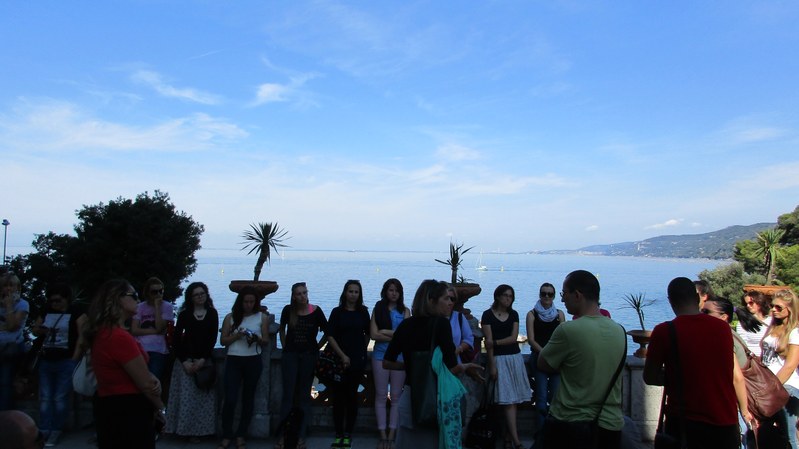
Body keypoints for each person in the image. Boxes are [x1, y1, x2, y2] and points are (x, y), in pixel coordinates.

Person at [383, 279, 484, 449]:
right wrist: (466, 368)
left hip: (410, 398)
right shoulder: (441, 324)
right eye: (446, 298)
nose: (450, 302)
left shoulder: (405, 325)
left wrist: (412, 366)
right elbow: (453, 367)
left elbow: (387, 362)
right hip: (434, 399)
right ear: (432, 300)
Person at [644, 277, 741, 448]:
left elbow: (650, 377)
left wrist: (676, 375)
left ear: (670, 301)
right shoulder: (723, 329)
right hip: (725, 421)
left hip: (685, 422)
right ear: (697, 298)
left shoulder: (664, 331)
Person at [538, 270, 626, 449]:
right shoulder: (620, 331)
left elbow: (543, 363)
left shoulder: (568, 330)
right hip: (610, 424)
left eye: (564, 293)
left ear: (577, 295)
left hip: (570, 423)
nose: (562, 299)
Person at [84, 279, 165, 449]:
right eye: (133, 295)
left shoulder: (103, 333)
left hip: (109, 406)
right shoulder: (118, 337)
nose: (138, 299)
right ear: (118, 299)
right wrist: (161, 409)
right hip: (128, 410)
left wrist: (150, 376)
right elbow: (145, 384)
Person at [32, 283, 86, 447]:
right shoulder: (46, 310)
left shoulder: (76, 311)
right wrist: (40, 330)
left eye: (58, 300)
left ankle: (56, 429)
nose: (54, 304)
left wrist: (75, 357)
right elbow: (35, 329)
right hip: (47, 358)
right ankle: (44, 429)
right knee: (45, 397)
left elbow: (83, 335)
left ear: (66, 298)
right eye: (52, 301)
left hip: (66, 359)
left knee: (60, 397)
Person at [165, 282, 218, 442]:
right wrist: (184, 361)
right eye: (196, 294)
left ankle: (199, 432)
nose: (200, 297)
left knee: (202, 400)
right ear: (191, 297)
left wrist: (202, 359)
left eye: (202, 293)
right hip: (186, 361)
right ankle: (181, 430)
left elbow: (212, 339)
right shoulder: (184, 315)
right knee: (185, 399)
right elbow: (176, 340)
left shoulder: (212, 313)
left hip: (203, 362)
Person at [218, 287, 270, 449]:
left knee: (248, 398)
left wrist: (256, 338)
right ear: (240, 302)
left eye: (251, 302)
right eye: (246, 302)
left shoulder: (262, 317)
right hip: (234, 359)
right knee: (230, 398)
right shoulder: (230, 317)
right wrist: (237, 335)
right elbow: (223, 341)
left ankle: (241, 434)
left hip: (253, 359)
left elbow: (266, 340)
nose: (248, 305)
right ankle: (227, 434)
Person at [277, 282, 328, 449]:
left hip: (308, 356)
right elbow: (281, 329)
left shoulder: (316, 311)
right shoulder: (288, 310)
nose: (302, 296)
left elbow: (328, 332)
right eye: (299, 294)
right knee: (288, 396)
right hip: (290, 356)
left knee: (304, 396)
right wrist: (285, 346)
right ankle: (283, 436)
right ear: (293, 296)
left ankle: (301, 436)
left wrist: (318, 347)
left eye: (304, 293)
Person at [700, 296, 755, 446]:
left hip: (737, 404)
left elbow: (737, 377)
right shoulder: (730, 333)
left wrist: (744, 411)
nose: (702, 315)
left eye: (707, 312)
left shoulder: (725, 337)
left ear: (724, 317)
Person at [482, 284, 530, 449]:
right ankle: (516, 441)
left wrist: (495, 342)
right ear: (497, 296)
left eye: (510, 296)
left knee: (516, 400)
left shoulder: (514, 314)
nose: (508, 299)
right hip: (499, 360)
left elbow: (513, 338)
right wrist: (492, 365)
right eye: (505, 295)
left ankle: (508, 438)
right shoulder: (487, 315)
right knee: (509, 402)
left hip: (514, 358)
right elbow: (488, 344)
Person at [326, 280, 371, 449]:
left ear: (360, 294)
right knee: (338, 398)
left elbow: (368, 333)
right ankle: (338, 433)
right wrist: (343, 355)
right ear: (345, 292)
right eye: (350, 291)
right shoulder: (337, 312)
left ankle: (348, 434)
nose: (353, 294)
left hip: (357, 361)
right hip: (338, 360)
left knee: (352, 397)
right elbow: (330, 335)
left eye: (356, 292)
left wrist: (361, 350)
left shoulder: (363, 312)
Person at [370, 278, 410, 449]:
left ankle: (392, 434)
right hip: (380, 356)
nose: (394, 293)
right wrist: (395, 335)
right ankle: (383, 435)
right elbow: (373, 335)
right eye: (391, 290)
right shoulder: (378, 309)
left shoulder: (405, 311)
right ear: (385, 291)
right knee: (380, 395)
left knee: (396, 396)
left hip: (399, 357)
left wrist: (385, 331)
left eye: (397, 290)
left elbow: (406, 336)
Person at [525, 282, 565, 446]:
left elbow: (564, 338)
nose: (547, 297)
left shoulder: (560, 315)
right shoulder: (532, 314)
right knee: (541, 395)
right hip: (539, 358)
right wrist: (545, 353)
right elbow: (531, 339)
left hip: (555, 360)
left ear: (554, 296)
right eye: (544, 293)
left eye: (550, 294)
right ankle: (542, 433)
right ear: (540, 295)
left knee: (555, 396)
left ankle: (553, 432)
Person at [760, 289, 799, 449]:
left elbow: (790, 366)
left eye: (779, 307)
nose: (774, 310)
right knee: (766, 432)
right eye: (772, 306)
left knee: (789, 435)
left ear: (790, 309)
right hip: (767, 384)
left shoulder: (795, 332)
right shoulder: (772, 328)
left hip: (786, 387)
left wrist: (773, 388)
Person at [130, 277, 174, 381]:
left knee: (153, 380)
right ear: (148, 293)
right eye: (154, 292)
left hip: (158, 350)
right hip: (141, 348)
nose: (158, 294)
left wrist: (157, 307)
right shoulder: (140, 307)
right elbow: (134, 330)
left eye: (160, 291)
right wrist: (156, 331)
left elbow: (160, 327)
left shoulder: (167, 307)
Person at [0, 273, 29, 410]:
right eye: (5, 285)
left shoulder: (23, 304)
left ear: (17, 287)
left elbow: (12, 326)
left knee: (5, 382)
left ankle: (5, 415)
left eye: (11, 285)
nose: (8, 289)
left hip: (10, 349)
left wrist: (9, 306)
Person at [736, 290, 772, 357]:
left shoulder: (772, 321)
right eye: (746, 304)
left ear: (759, 302)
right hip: (754, 359)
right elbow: (742, 345)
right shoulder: (743, 323)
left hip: (771, 359)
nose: (748, 306)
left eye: (751, 303)